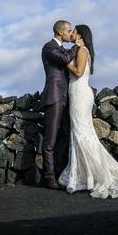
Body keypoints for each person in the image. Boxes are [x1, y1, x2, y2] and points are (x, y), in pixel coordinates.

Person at [58, 24, 118, 198]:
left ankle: (94, 175)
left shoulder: (82, 51)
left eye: (74, 31)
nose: (72, 34)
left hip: (79, 94)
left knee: (82, 133)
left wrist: (66, 62)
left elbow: (78, 71)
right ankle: (87, 176)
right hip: (79, 93)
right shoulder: (83, 50)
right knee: (81, 133)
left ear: (81, 34)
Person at [39, 19, 79, 189]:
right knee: (50, 141)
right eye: (69, 30)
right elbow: (65, 59)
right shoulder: (49, 47)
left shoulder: (61, 48)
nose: (71, 33)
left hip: (65, 97)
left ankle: (60, 174)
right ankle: (49, 178)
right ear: (61, 32)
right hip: (54, 97)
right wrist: (77, 47)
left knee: (64, 138)